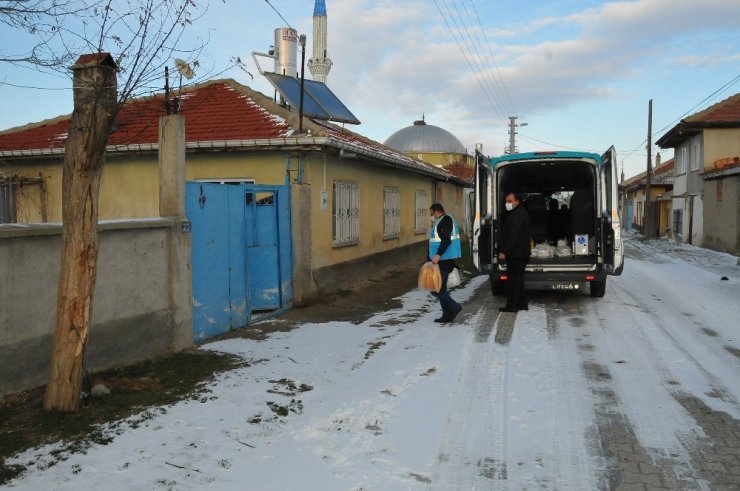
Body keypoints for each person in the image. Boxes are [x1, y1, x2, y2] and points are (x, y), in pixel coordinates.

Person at [428, 203, 463, 323]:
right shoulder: (443, 220)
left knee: (436, 289)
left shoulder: (444, 222)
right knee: (440, 289)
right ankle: (447, 314)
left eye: (432, 214)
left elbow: (446, 240)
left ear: (437, 212)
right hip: (443, 260)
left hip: (444, 261)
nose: (431, 216)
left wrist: (438, 254)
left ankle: (454, 307)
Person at [497, 192, 531, 312]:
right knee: (518, 279)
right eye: (507, 201)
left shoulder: (518, 214)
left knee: (513, 281)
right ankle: (522, 303)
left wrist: (504, 252)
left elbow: (514, 236)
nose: (508, 204)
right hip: (518, 253)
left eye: (510, 201)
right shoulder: (516, 213)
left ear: (517, 201)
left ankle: (511, 306)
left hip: (517, 254)